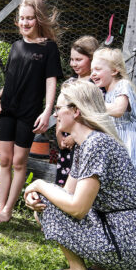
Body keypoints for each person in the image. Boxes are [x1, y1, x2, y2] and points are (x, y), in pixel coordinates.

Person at [24, 80, 136, 270]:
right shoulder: (88, 144)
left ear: (75, 111)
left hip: (123, 244)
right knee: (50, 198)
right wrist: (39, 193)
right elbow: (66, 194)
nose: (55, 115)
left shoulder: (96, 144)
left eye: (58, 109)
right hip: (130, 242)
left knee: (48, 201)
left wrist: (38, 185)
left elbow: (77, 208)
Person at [0, 0, 63, 223]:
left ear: (38, 19)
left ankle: (9, 210)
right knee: (5, 160)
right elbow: (11, 78)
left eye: (30, 18)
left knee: (19, 163)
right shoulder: (16, 46)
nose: (25, 23)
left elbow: (51, 81)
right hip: (8, 109)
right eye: (22, 18)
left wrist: (47, 110)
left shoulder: (49, 48)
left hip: (29, 112)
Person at [91, 47, 136, 177]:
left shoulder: (123, 85)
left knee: (127, 181)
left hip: (132, 142)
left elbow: (118, 110)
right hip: (119, 143)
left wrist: (89, 104)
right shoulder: (108, 93)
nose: (92, 74)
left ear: (114, 70)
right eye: (92, 70)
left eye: (98, 69)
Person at [55, 35, 99, 186]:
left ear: (92, 59)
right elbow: (59, 110)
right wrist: (59, 133)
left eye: (79, 60)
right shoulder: (69, 82)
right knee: (64, 178)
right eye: (72, 59)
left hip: (83, 141)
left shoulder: (96, 85)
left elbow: (95, 116)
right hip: (65, 140)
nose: (73, 64)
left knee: (80, 180)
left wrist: (74, 137)